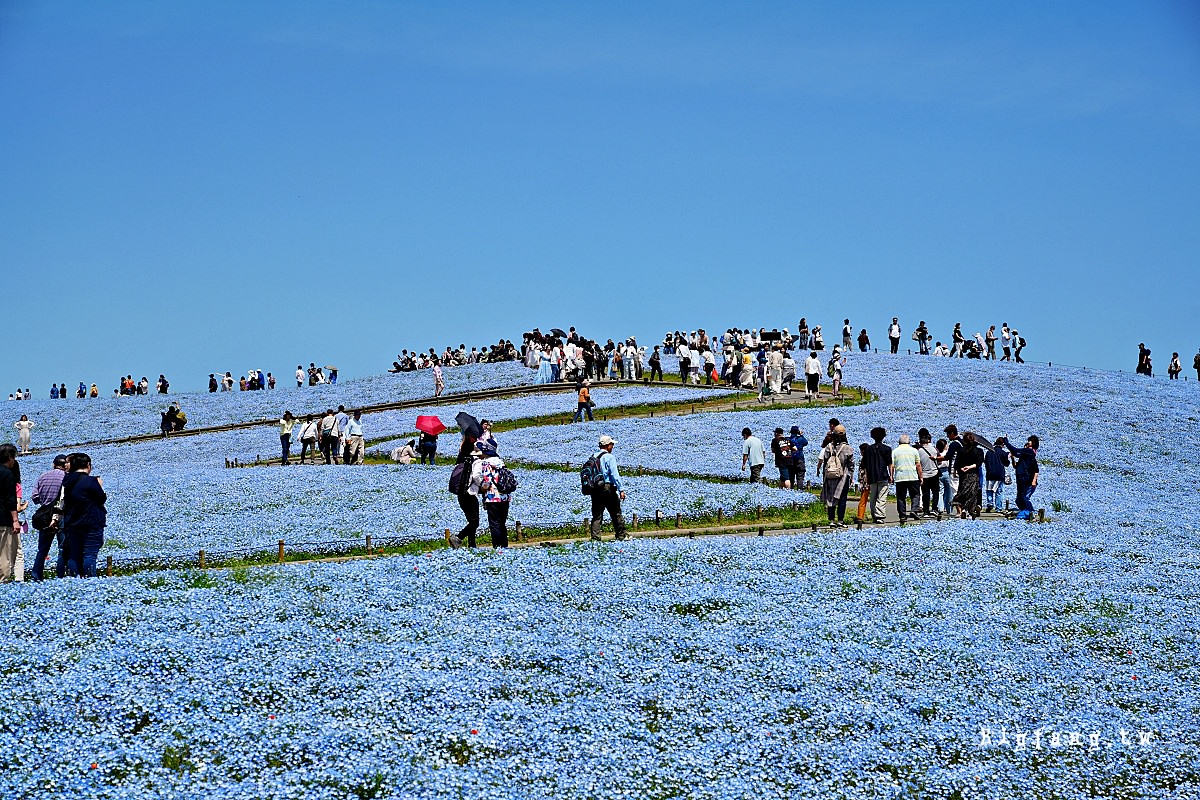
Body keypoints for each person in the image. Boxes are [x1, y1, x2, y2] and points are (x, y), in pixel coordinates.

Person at [60, 452, 106, 577]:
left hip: (73, 523)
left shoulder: (67, 481)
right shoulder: (91, 481)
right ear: (88, 465)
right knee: (90, 555)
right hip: (91, 523)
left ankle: (75, 583)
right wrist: (99, 486)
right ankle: (89, 583)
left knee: (74, 556)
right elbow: (101, 498)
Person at [29, 454, 68, 581]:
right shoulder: (67, 477)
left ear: (54, 464)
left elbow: (34, 497)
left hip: (45, 515)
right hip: (62, 515)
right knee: (62, 548)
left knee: (43, 549)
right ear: (65, 465)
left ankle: (36, 576)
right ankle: (60, 576)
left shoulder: (43, 476)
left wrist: (45, 502)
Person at [467, 440, 510, 547]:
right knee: (502, 523)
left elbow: (487, 482)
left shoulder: (486, 463)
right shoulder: (501, 462)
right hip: (505, 496)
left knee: (494, 523)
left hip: (492, 497)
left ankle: (497, 547)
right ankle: (505, 546)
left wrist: (482, 488)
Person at [589, 434, 628, 541]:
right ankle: (621, 535)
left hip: (595, 489)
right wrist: (621, 490)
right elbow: (615, 475)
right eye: (611, 444)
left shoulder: (594, 456)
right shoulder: (609, 457)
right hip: (607, 488)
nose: (613, 446)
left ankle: (595, 538)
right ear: (607, 446)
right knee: (616, 512)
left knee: (597, 515)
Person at [816, 425, 853, 527]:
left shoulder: (828, 447)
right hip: (843, 477)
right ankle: (840, 520)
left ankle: (831, 520)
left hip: (830, 476)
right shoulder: (848, 448)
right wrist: (852, 477)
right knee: (842, 498)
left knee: (830, 498)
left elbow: (826, 462)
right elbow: (851, 465)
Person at [448, 433, 480, 548]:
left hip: (461, 493)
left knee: (471, 521)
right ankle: (458, 538)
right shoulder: (475, 461)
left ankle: (472, 545)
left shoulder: (461, 457)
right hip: (469, 493)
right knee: (475, 522)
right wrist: (483, 486)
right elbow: (476, 477)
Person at [1001, 435, 1040, 517]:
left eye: (1030, 441)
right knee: (1019, 497)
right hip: (1020, 475)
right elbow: (1016, 453)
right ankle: (1025, 510)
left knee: (1022, 495)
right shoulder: (1026, 453)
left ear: (1033, 443)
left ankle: (1029, 511)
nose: (1028, 442)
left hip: (1023, 476)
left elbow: (1015, 450)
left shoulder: (1029, 451)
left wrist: (1007, 443)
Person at [891, 434, 923, 523]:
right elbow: (918, 465)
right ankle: (914, 510)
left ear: (899, 442)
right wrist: (921, 476)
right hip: (912, 476)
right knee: (915, 495)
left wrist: (891, 476)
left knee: (901, 497)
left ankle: (902, 515)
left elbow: (892, 465)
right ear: (909, 442)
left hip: (900, 477)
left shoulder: (895, 451)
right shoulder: (914, 451)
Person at [863, 427, 892, 524]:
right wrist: (891, 475)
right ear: (883, 436)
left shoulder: (868, 450)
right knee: (882, 497)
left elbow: (865, 466)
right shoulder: (887, 449)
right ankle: (879, 516)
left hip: (872, 476)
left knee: (873, 497)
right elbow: (889, 463)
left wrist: (866, 477)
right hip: (883, 475)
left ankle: (874, 515)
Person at [953, 432, 984, 519]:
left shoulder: (961, 450)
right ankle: (971, 511)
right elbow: (979, 463)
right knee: (972, 493)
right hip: (973, 474)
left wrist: (958, 470)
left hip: (963, 475)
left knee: (962, 491)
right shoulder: (979, 451)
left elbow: (957, 463)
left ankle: (962, 510)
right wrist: (970, 467)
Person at [0, 444, 19, 582]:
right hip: (2, 518)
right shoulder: (7, 474)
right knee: (4, 554)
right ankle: (3, 582)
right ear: (9, 458)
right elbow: (10, 500)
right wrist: (15, 520)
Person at [915, 430, 940, 517]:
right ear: (928, 440)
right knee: (935, 492)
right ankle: (934, 509)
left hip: (924, 475)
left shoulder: (918, 451)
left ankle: (926, 511)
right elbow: (939, 460)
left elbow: (917, 464)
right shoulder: (934, 449)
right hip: (934, 473)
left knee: (925, 493)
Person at [984, 437, 1010, 512]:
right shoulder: (1003, 452)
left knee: (989, 490)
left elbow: (986, 462)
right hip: (999, 474)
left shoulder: (989, 452)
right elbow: (1007, 464)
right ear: (1003, 444)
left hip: (990, 473)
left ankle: (990, 504)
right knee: (999, 491)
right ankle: (998, 508)